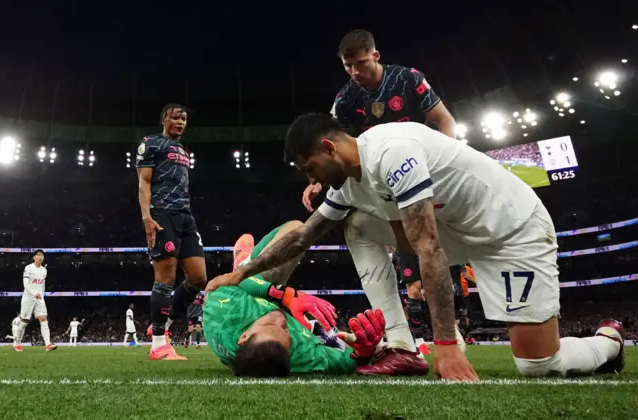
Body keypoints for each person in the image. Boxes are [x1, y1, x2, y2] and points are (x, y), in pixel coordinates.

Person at [211, 114, 626, 381]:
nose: (310, 179)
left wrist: (446, 347)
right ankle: (402, 346)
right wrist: (240, 273)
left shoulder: (393, 153)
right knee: (354, 223)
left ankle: (609, 342)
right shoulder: (351, 182)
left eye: (309, 168)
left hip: (510, 231)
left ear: (328, 148)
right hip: (458, 230)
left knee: (539, 366)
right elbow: (302, 237)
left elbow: (427, 248)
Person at [300, 29, 458, 362]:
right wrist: (318, 181)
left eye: (360, 63)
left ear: (375, 55)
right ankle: (403, 338)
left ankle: (448, 334)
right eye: (347, 66)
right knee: (381, 239)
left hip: (422, 176)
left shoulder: (408, 79)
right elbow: (330, 147)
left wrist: (448, 159)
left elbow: (444, 120)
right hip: (384, 187)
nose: (355, 72)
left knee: (430, 256)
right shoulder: (345, 99)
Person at [203, 224, 425, 377]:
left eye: (270, 325)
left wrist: (284, 295)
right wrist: (364, 352)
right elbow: (345, 361)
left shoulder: (223, 314)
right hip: (261, 306)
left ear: (244, 336)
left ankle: (243, 263)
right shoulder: (301, 357)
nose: (280, 319)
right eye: (286, 331)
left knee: (296, 229)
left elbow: (222, 284)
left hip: (250, 289)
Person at [136, 104, 208, 360]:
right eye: (175, 117)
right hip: (162, 213)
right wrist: (147, 217)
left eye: (184, 118)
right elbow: (144, 181)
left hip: (185, 215)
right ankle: (158, 345)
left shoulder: (182, 150)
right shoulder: (151, 143)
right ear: (164, 119)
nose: (180, 122)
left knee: (199, 279)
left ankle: (162, 325)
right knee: (165, 279)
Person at [13, 250, 57, 352]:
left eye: (42, 256)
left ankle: (48, 344)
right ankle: (17, 342)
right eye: (38, 255)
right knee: (24, 322)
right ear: (34, 257)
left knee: (43, 318)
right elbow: (26, 284)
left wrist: (42, 295)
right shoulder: (28, 268)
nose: (40, 257)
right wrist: (34, 293)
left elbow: (42, 285)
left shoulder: (44, 270)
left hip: (39, 297)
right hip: (28, 297)